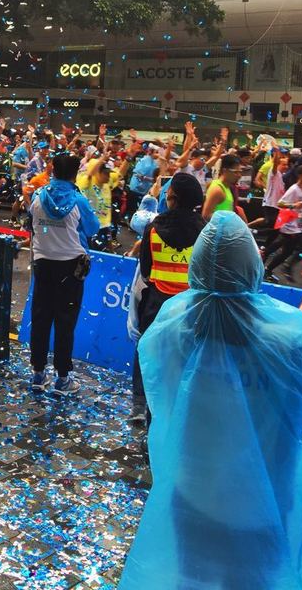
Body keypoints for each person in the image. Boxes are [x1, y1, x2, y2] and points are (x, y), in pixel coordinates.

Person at [118, 212, 302, 590]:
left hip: (192, 499)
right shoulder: (291, 342)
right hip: (264, 506)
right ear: (252, 267)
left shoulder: (170, 331)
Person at [130, 172, 205, 420]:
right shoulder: (205, 231)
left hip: (157, 305)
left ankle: (140, 403)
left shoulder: (153, 229)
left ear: (172, 196)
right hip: (189, 308)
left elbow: (147, 271)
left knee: (147, 351)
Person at [29, 153, 99, 395]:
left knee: (40, 319)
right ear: (75, 173)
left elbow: (32, 223)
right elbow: (93, 228)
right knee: (65, 322)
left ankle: (38, 373)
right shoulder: (79, 200)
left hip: (42, 264)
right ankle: (62, 378)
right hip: (70, 268)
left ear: (52, 170)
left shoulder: (37, 196)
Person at [263, 164, 302, 279]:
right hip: (290, 225)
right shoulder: (294, 189)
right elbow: (280, 203)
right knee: (290, 248)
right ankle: (268, 265)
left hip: (300, 224)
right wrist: (293, 205)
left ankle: (266, 259)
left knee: (287, 249)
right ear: (300, 175)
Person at [202, 154, 242, 220]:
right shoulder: (217, 190)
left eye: (240, 172)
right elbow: (206, 215)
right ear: (224, 171)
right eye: (235, 172)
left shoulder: (227, 187)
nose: (239, 175)